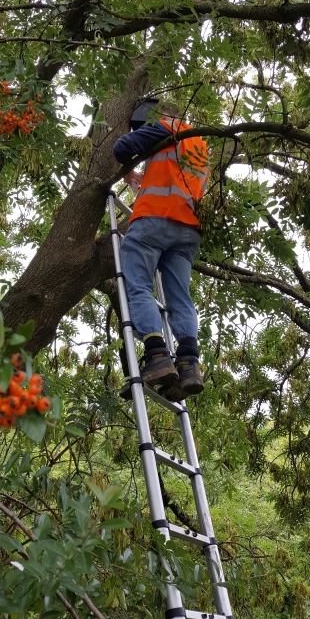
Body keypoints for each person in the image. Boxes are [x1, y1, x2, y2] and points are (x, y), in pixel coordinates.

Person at [112, 103, 210, 401]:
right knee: (181, 295)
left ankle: (157, 356)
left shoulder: (167, 128)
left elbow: (122, 147)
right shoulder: (202, 146)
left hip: (154, 220)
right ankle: (188, 364)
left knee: (139, 286)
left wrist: (129, 174)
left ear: (166, 116)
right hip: (188, 230)